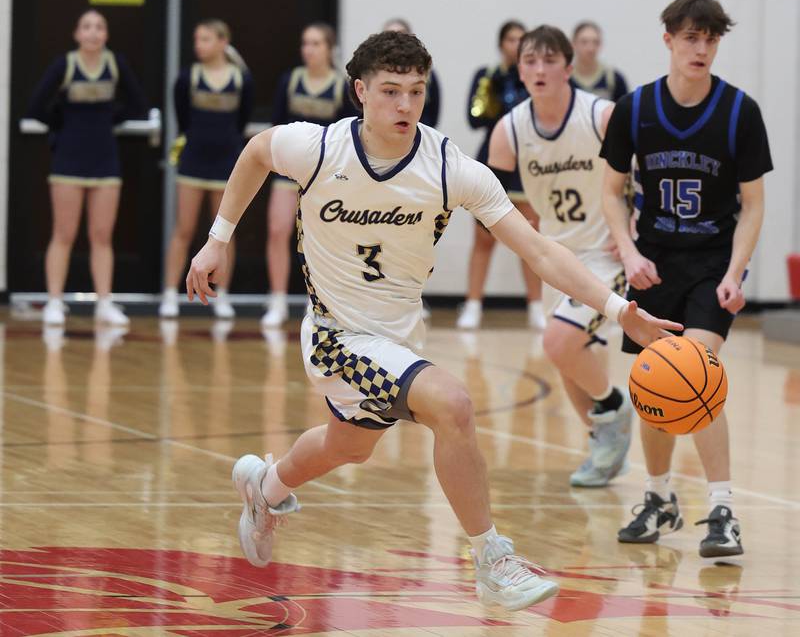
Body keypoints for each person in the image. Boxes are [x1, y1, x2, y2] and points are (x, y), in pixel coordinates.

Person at [186, 30, 681, 609]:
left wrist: (621, 311)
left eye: (416, 92)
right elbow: (256, 153)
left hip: (397, 338)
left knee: (348, 445)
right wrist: (218, 239)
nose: (404, 105)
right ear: (360, 91)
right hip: (335, 336)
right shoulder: (318, 148)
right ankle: (493, 560)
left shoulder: (449, 168)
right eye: (390, 91)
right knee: (453, 403)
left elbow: (541, 252)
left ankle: (264, 489)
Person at [601, 0, 772, 557]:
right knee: (654, 382)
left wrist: (736, 271)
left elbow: (752, 202)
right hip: (652, 267)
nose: (701, 48)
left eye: (711, 38)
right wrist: (627, 253)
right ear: (669, 40)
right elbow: (610, 189)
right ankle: (659, 498)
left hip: (710, 265)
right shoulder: (636, 109)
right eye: (691, 37)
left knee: (693, 372)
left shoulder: (738, 111)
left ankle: (721, 507)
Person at [488, 25, 632, 487]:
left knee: (558, 343)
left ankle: (613, 406)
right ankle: (603, 447)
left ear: (570, 68)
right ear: (520, 69)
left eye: (550, 60)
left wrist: (635, 226)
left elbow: (648, 168)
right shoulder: (509, 130)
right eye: (530, 61)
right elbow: (499, 203)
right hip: (556, 258)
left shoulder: (601, 116)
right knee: (569, 360)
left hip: (605, 255)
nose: (539, 69)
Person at [27, 9, 146, 326]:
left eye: (99, 27)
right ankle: (54, 301)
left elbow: (138, 104)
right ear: (77, 34)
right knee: (63, 233)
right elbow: (35, 106)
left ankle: (104, 302)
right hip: (68, 159)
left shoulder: (115, 64)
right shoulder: (64, 65)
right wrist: (62, 125)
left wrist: (110, 120)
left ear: (105, 35)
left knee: (102, 235)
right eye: (86, 27)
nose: (93, 33)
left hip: (105, 159)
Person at [261, 22, 356, 327]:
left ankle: (316, 300)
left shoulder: (342, 86)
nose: (309, 50)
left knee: (320, 239)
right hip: (288, 172)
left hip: (323, 174)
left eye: (316, 44)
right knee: (278, 231)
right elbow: (276, 126)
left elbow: (345, 135)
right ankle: (276, 300)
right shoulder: (290, 80)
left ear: (330, 49)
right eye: (305, 43)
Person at [159, 19, 253, 319]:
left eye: (206, 39)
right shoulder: (187, 77)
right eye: (197, 39)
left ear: (223, 42)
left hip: (227, 163)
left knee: (224, 233)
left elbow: (241, 122)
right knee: (183, 229)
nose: (199, 45)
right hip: (193, 161)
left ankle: (221, 294)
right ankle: (170, 294)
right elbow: (183, 117)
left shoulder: (241, 80)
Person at [458, 21, 545, 330]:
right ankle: (473, 304)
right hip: (492, 161)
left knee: (530, 236)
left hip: (527, 164)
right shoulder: (488, 75)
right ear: (501, 44)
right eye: (511, 39)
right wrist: (491, 87)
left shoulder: (535, 79)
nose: (516, 44)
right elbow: (475, 117)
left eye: (522, 40)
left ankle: (536, 307)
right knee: (483, 238)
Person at [383, 18, 440, 127]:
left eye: (401, 35)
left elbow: (434, 111)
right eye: (390, 36)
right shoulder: (373, 72)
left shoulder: (427, 73)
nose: (395, 41)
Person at [570, 22, 628, 102]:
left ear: (601, 44)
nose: (590, 48)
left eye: (595, 42)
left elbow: (624, 112)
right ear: (573, 44)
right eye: (584, 42)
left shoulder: (614, 79)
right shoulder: (564, 79)